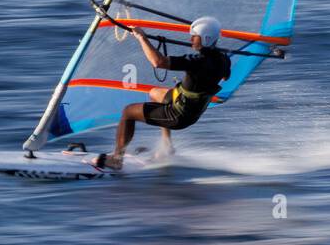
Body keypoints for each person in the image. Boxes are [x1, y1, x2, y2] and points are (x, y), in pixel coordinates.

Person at [96, 16, 232, 170]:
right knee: (155, 93)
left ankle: (116, 159)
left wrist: (142, 38)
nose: (190, 40)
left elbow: (158, 62)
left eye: (194, 37)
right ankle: (167, 146)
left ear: (206, 39)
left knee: (128, 112)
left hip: (178, 115)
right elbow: (226, 76)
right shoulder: (224, 59)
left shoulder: (196, 61)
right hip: (191, 107)